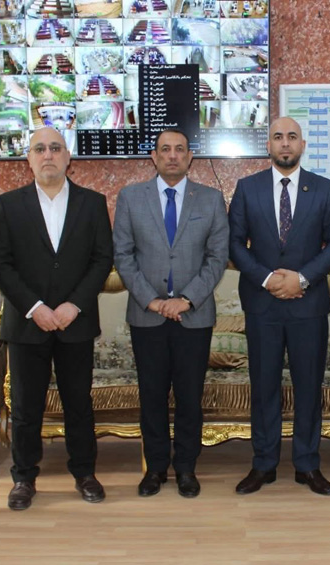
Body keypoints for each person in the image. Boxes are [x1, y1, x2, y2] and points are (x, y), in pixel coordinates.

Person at [0, 127, 113, 510]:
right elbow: (0, 263)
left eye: (55, 148)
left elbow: (102, 259)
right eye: (39, 149)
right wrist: (35, 307)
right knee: (26, 408)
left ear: (67, 157)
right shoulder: (8, 204)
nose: (48, 155)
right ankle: (24, 478)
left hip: (76, 321)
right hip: (27, 323)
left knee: (79, 404)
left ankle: (85, 473)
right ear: (29, 158)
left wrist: (74, 305)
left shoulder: (92, 203)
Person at [228, 116, 330, 495]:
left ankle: (307, 465)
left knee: (308, 388)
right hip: (262, 304)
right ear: (268, 145)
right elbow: (234, 243)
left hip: (307, 305)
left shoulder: (324, 189)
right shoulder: (247, 188)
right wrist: (268, 279)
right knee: (264, 386)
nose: (285, 143)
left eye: (292, 137)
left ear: (302, 145)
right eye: (278, 137)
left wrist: (303, 278)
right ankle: (263, 464)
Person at [113, 128, 228, 498]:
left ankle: (186, 469)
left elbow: (217, 257)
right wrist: (152, 300)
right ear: (154, 156)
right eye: (165, 149)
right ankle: (155, 469)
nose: (173, 155)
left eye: (180, 149)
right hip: (147, 315)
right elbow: (123, 256)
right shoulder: (131, 197)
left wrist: (187, 299)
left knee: (190, 397)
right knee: (152, 396)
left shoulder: (210, 199)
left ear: (190, 157)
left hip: (194, 316)